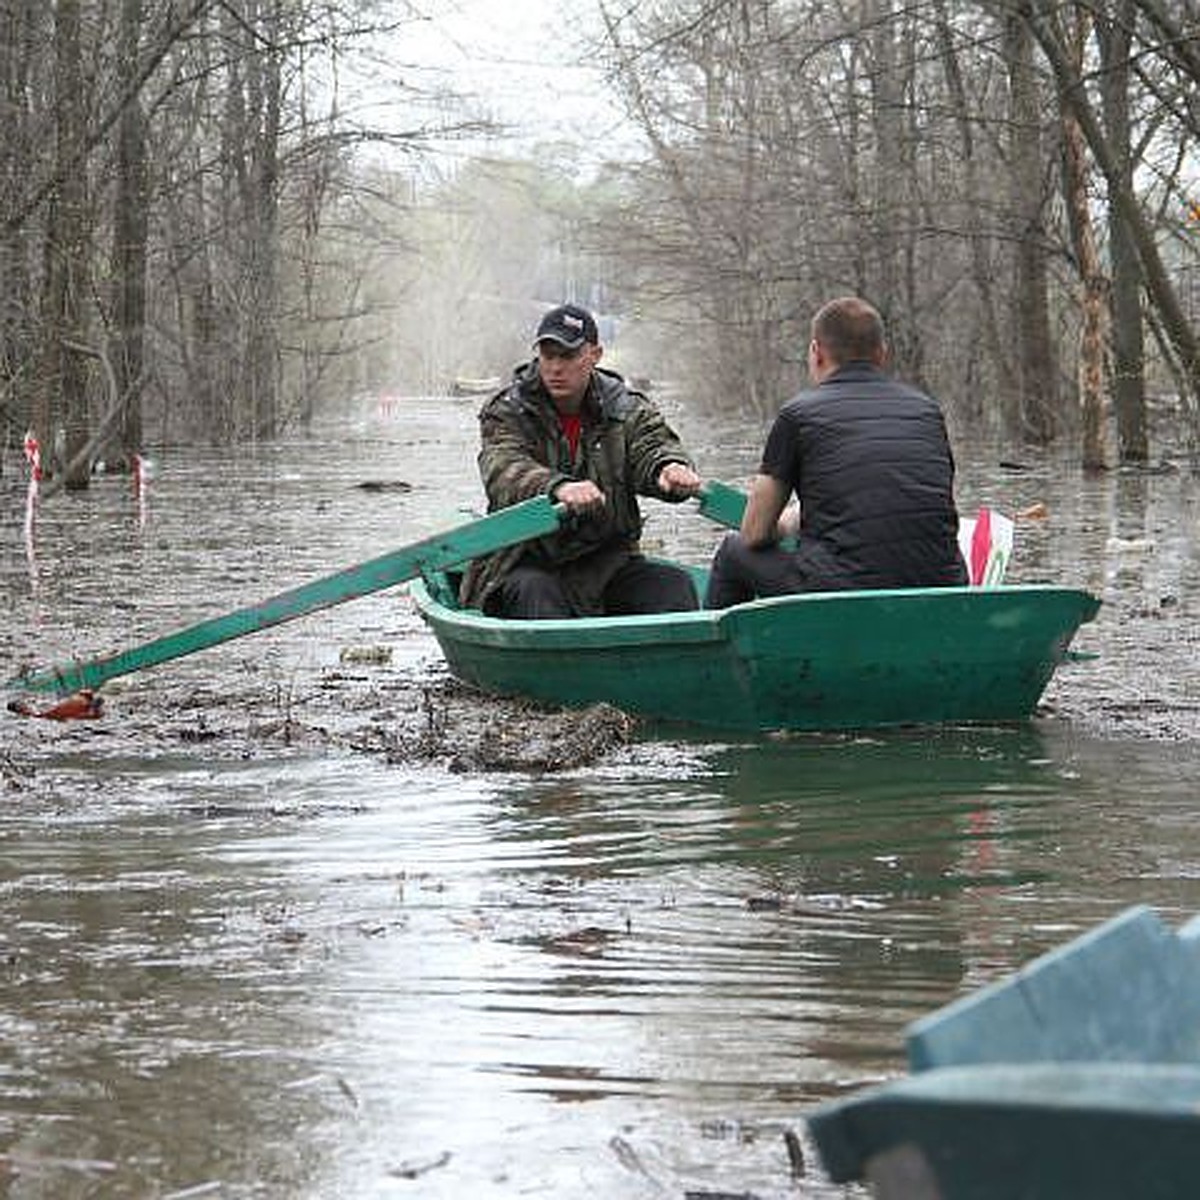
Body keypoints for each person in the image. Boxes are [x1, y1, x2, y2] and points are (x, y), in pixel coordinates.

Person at [705, 295, 967, 608]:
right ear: (882, 354)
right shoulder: (927, 411)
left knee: (733, 552)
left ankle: (722, 656)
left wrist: (792, 521)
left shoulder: (798, 415)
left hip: (838, 595)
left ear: (816, 353)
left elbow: (754, 532)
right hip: (944, 585)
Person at [459, 302, 703, 619]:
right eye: (548, 356)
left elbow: (652, 445)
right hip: (525, 561)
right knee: (537, 595)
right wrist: (557, 487)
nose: (556, 368)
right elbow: (504, 468)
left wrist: (668, 468)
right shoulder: (508, 410)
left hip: (607, 564)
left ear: (594, 356)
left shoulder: (627, 407)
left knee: (674, 588)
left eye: (568, 356)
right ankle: (561, 668)